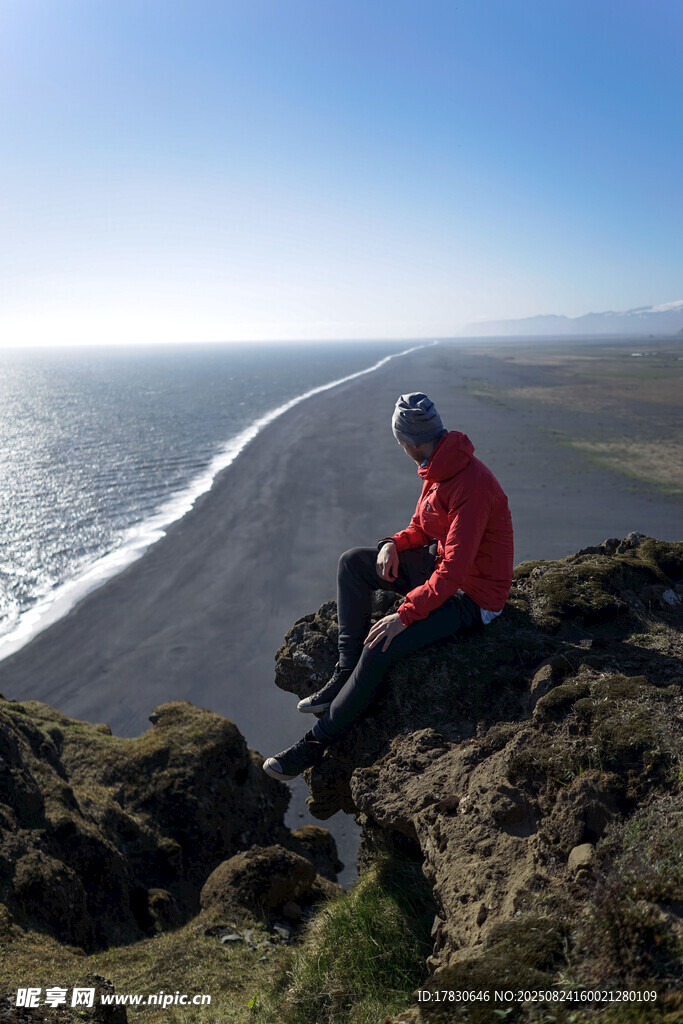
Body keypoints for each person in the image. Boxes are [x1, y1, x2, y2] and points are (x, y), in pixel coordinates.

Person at [263, 392, 514, 781]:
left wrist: (405, 614)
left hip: (474, 598)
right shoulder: (437, 468)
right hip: (445, 574)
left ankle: (314, 745)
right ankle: (345, 674)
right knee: (353, 563)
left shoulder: (471, 484)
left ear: (409, 442)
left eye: (400, 443)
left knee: (382, 644)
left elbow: (453, 570)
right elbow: (423, 527)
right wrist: (392, 544)